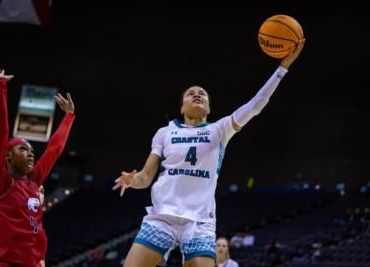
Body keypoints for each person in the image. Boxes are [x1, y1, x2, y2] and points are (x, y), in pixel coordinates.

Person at [113, 39, 305, 267]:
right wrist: (132, 180)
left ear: (209, 108)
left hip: (200, 222)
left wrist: (283, 67)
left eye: (202, 94)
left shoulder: (219, 129)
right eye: (190, 93)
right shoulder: (165, 132)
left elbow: (256, 104)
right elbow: (145, 177)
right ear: (182, 108)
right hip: (162, 217)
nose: (197, 95)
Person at [0, 68, 75, 267]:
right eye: (23, 149)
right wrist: (0, 87)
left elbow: (54, 149)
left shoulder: (33, 181)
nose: (31, 153)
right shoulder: (2, 183)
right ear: (7, 157)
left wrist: (68, 117)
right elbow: (1, 132)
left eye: (31, 150)